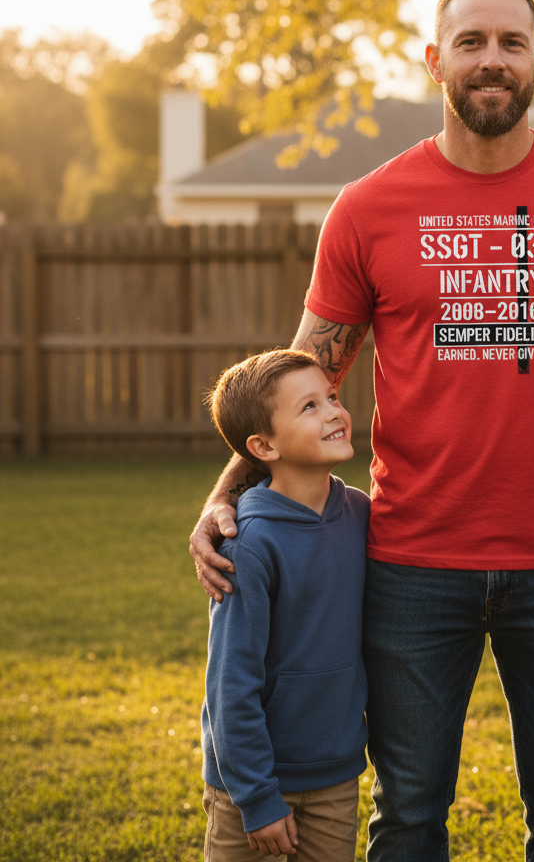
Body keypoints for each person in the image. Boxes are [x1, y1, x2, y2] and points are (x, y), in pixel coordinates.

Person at [191, 0, 534, 862]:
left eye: (511, 42)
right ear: (435, 60)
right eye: (471, 42)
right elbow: (303, 373)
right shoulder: (368, 208)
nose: (491, 59)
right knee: (406, 816)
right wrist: (225, 494)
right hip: (411, 564)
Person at [201, 349, 370, 861]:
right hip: (249, 786)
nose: (335, 412)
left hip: (334, 776)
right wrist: (256, 797)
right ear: (264, 446)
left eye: (332, 397)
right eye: (310, 407)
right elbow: (230, 684)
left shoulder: (362, 515)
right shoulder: (250, 545)